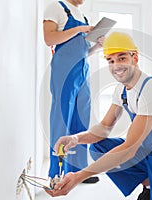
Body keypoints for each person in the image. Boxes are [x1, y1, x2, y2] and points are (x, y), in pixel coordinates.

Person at [45, 32, 152, 200]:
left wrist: (79, 176)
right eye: (110, 60)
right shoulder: (121, 90)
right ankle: (149, 183)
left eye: (122, 58)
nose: (116, 65)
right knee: (99, 146)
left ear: (135, 57)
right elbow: (102, 130)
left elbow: (129, 148)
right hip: (147, 153)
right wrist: (75, 138)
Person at [43, 0, 102, 183]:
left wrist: (97, 46)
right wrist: (79, 30)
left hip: (82, 71)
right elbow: (49, 39)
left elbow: (83, 51)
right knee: (61, 120)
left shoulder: (82, 15)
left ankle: (78, 172)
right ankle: (57, 173)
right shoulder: (56, 7)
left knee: (81, 120)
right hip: (64, 69)